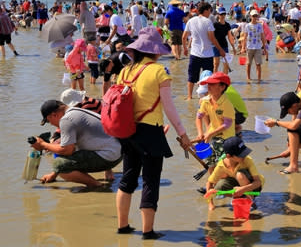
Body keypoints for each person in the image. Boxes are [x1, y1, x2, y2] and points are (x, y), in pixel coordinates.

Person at [115, 27, 192, 240]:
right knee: (150, 180)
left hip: (127, 130)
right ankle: (148, 232)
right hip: (150, 131)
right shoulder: (159, 71)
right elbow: (169, 107)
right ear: (156, 51)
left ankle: (123, 227)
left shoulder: (125, 71)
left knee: (127, 179)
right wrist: (183, 133)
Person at [32, 97, 122, 188]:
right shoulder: (75, 111)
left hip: (110, 156)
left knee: (59, 165)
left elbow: (66, 150)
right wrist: (53, 175)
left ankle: (96, 185)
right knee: (63, 160)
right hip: (117, 151)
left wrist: (43, 144)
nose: (51, 124)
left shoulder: (66, 120)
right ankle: (96, 182)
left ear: (54, 115)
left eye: (48, 121)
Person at [204, 136, 264, 211]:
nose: (244, 156)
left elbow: (258, 182)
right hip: (237, 186)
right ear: (229, 156)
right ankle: (239, 197)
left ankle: (250, 200)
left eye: (245, 153)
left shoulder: (247, 160)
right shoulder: (221, 165)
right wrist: (211, 204)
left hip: (254, 187)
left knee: (240, 175)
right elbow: (209, 183)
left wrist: (242, 189)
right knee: (219, 186)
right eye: (241, 155)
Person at [195, 72, 235, 171]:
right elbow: (198, 117)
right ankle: (211, 184)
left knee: (223, 166)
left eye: (212, 84)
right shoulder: (206, 101)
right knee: (210, 163)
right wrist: (200, 133)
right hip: (212, 136)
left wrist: (210, 134)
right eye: (208, 84)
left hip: (226, 139)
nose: (209, 86)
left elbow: (227, 124)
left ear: (222, 87)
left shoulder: (226, 103)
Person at [183, 2, 224, 99]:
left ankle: (189, 97)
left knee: (192, 77)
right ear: (205, 10)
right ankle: (208, 97)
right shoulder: (208, 21)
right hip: (207, 54)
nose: (210, 13)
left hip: (194, 53)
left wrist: (185, 48)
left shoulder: (191, 21)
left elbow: (184, 37)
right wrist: (220, 50)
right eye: (210, 10)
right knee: (208, 78)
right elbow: (212, 39)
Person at [240, 10, 266, 82]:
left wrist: (265, 47)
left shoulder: (260, 26)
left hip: (258, 47)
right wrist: (243, 47)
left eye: (256, 16)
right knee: (248, 64)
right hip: (249, 47)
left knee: (258, 64)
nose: (255, 17)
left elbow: (262, 37)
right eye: (253, 16)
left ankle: (259, 79)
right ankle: (248, 78)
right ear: (250, 16)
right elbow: (245, 37)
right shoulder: (247, 25)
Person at [213, 6, 236, 73]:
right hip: (216, 46)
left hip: (224, 46)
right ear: (218, 15)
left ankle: (224, 80)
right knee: (215, 64)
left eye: (224, 14)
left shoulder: (227, 25)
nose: (223, 16)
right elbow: (212, 37)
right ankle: (215, 79)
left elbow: (229, 37)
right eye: (221, 14)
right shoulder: (215, 25)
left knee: (226, 64)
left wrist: (233, 47)